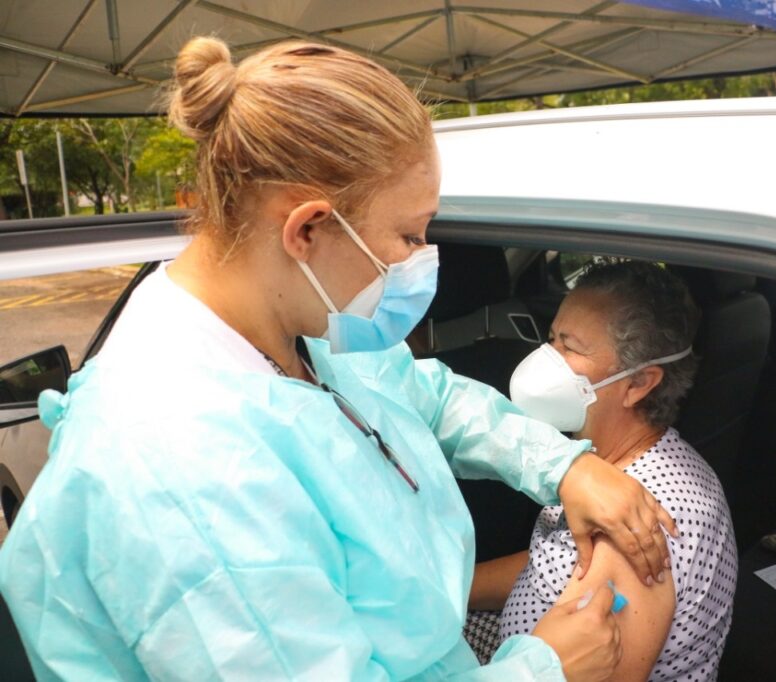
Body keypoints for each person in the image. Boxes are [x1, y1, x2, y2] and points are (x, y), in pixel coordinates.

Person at [0, 39, 681, 681]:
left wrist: (564, 466)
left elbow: (423, 395)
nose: (422, 260)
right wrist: (543, 669)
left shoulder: (297, 323)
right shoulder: (176, 470)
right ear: (308, 229)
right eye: (409, 235)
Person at [467, 261, 738, 681]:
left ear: (638, 384)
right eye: (551, 338)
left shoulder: (636, 526)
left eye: (570, 347)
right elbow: (550, 566)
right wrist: (452, 589)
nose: (545, 359)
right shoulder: (607, 472)